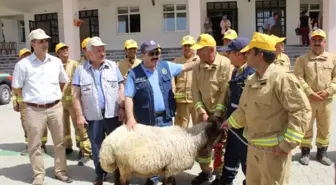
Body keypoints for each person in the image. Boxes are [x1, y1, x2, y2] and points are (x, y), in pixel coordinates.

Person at [221, 32, 311, 185]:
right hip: (253, 149)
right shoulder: (252, 79)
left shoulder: (282, 78)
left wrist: (287, 144)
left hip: (274, 153)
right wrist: (228, 123)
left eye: (249, 52)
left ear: (260, 55)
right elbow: (244, 110)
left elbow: (301, 111)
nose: (245, 54)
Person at [124, 39, 197, 185]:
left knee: (167, 149)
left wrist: (200, 60)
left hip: (165, 118)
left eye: (157, 53)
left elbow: (185, 67)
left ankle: (168, 176)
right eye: (152, 53)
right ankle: (153, 178)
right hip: (146, 120)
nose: (156, 56)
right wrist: (130, 117)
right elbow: (128, 97)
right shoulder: (134, 73)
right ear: (143, 54)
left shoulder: (165, 66)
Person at [12, 28, 72, 185]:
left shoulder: (56, 62)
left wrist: (54, 96)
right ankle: (39, 175)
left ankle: (60, 171)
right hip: (33, 109)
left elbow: (63, 81)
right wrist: (24, 101)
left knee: (60, 142)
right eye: (40, 41)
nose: (45, 44)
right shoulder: (23, 65)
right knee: (35, 144)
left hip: (55, 107)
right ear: (32, 44)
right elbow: (17, 86)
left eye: (46, 40)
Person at [72, 36, 125, 185]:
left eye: (103, 50)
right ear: (89, 54)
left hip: (113, 114)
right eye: (98, 50)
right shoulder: (80, 70)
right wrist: (79, 115)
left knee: (117, 145)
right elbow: (75, 95)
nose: (102, 53)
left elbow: (121, 86)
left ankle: (118, 173)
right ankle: (100, 174)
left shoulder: (113, 66)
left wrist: (121, 107)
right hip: (92, 116)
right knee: (97, 147)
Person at [190, 34, 232, 185]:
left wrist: (218, 114)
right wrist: (202, 112)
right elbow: (194, 90)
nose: (197, 53)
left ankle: (219, 174)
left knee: (221, 144)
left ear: (211, 49)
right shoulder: (196, 66)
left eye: (200, 50)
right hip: (203, 114)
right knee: (202, 144)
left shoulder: (226, 64)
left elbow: (225, 90)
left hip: (220, 114)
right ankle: (206, 172)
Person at [216, 37, 255, 185]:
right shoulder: (236, 71)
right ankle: (226, 180)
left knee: (247, 162)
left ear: (239, 54)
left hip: (245, 128)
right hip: (233, 125)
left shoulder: (251, 74)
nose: (227, 56)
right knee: (231, 157)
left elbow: (248, 106)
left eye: (229, 53)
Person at [294, 29, 335, 166]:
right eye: (314, 40)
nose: (317, 43)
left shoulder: (333, 58)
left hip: (326, 100)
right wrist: (309, 92)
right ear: (310, 42)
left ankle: (321, 154)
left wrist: (329, 91)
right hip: (308, 100)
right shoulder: (302, 59)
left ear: (325, 42)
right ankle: (305, 152)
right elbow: (298, 78)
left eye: (320, 40)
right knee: (306, 126)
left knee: (325, 127)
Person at [55, 42, 92, 166]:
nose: (65, 50)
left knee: (79, 127)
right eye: (62, 49)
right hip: (60, 102)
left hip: (73, 102)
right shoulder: (55, 65)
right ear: (58, 53)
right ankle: (68, 147)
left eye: (66, 48)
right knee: (64, 128)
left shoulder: (75, 64)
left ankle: (85, 152)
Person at [12, 48, 49, 156]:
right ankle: (30, 145)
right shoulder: (18, 69)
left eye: (27, 55)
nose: (25, 57)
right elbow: (14, 87)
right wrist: (15, 101)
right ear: (20, 57)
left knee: (40, 124)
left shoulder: (34, 67)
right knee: (26, 125)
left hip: (34, 102)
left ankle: (42, 145)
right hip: (23, 104)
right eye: (23, 55)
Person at [172, 35, 199, 128]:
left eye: (189, 45)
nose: (187, 48)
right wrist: (174, 95)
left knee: (199, 126)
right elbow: (173, 81)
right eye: (185, 46)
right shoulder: (177, 61)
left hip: (196, 99)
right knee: (181, 128)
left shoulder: (199, 61)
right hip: (181, 100)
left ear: (194, 46)